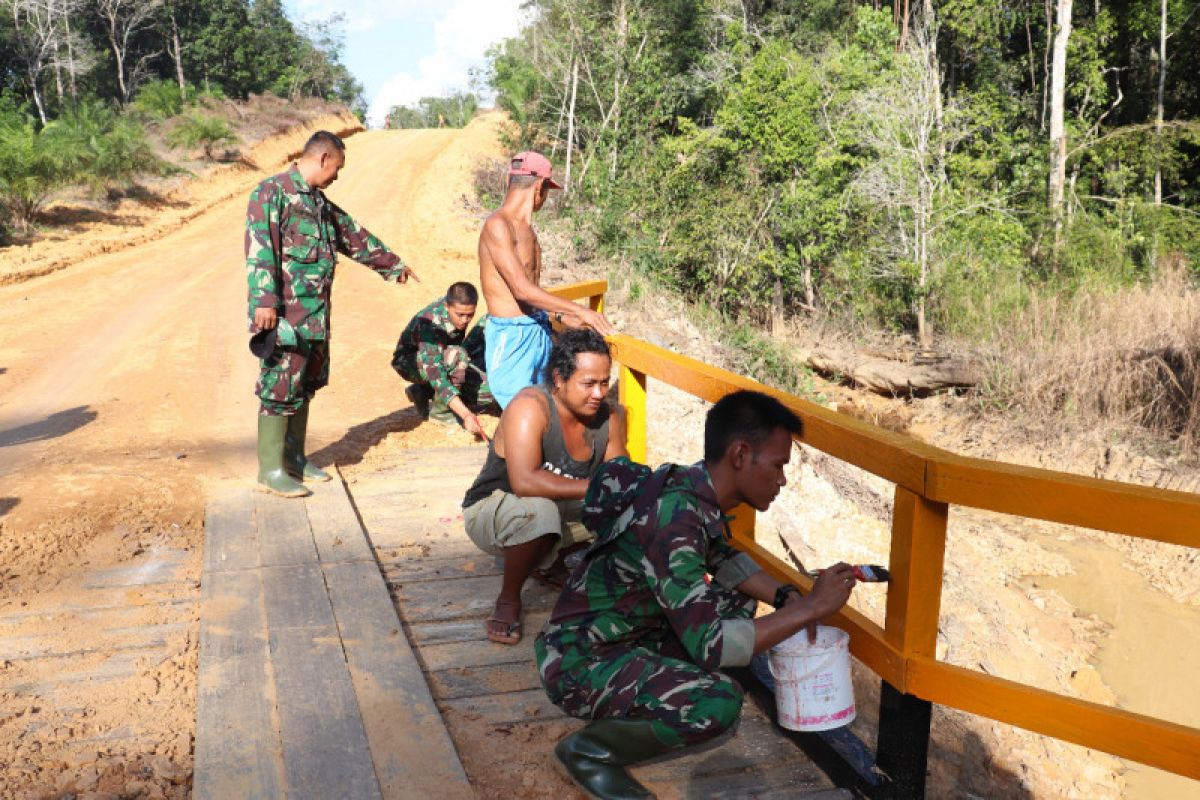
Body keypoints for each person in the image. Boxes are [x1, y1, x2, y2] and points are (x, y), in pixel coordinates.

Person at [535, 390, 858, 799]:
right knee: (717, 702)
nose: (782, 480)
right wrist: (813, 606)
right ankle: (588, 752)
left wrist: (788, 597)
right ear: (740, 454)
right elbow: (713, 647)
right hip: (580, 661)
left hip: (616, 636)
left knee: (734, 600)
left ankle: (635, 702)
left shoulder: (691, 488)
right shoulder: (677, 518)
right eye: (778, 466)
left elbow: (722, 558)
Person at [246, 130, 418, 497]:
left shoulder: (319, 204)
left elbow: (353, 236)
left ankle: (294, 459)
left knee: (304, 386)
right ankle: (270, 470)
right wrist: (264, 302)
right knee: (279, 387)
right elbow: (261, 247)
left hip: (315, 316)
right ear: (323, 158)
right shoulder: (272, 192)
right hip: (285, 317)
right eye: (337, 168)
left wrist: (392, 264)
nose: (337, 175)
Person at [461, 329, 627, 645]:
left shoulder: (609, 416)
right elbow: (525, 482)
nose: (599, 393)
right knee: (540, 510)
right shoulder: (530, 406)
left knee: (631, 506)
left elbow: (621, 477)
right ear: (559, 379)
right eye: (588, 383)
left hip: (554, 508)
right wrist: (597, 486)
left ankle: (550, 562)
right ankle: (508, 600)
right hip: (494, 510)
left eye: (604, 382)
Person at [477, 151, 617, 409]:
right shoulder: (498, 225)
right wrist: (580, 310)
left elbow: (534, 293)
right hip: (512, 337)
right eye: (547, 190)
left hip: (539, 329)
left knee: (547, 410)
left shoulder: (529, 232)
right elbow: (521, 290)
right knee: (519, 412)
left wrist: (560, 316)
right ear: (540, 186)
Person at [391, 281, 493, 439]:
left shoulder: (456, 309)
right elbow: (436, 375)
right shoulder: (430, 325)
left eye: (470, 315)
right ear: (447, 307)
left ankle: (423, 391)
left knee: (489, 393)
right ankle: (441, 413)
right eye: (460, 315)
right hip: (411, 363)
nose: (465, 320)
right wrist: (466, 415)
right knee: (457, 356)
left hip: (447, 355)